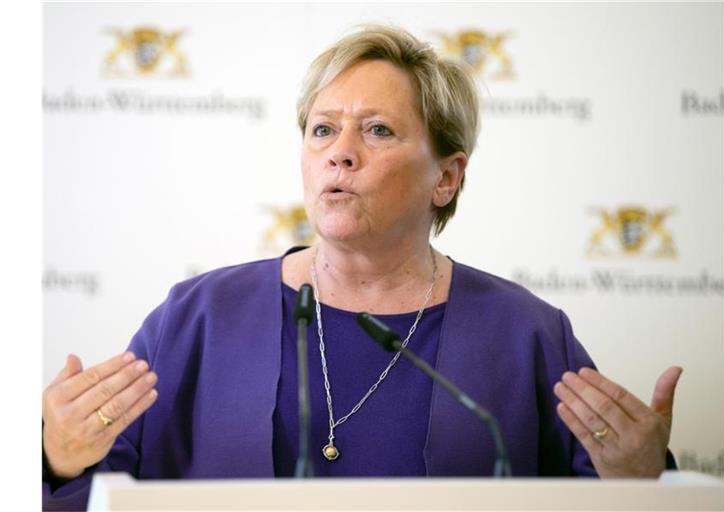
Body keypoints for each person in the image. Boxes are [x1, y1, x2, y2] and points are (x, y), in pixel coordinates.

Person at [42, 25, 682, 510]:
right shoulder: (198, 317)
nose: (339, 154)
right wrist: (57, 460)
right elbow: (96, 490)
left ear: (447, 176)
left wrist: (645, 483)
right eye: (323, 130)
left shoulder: (526, 335)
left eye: (377, 131)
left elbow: (613, 494)